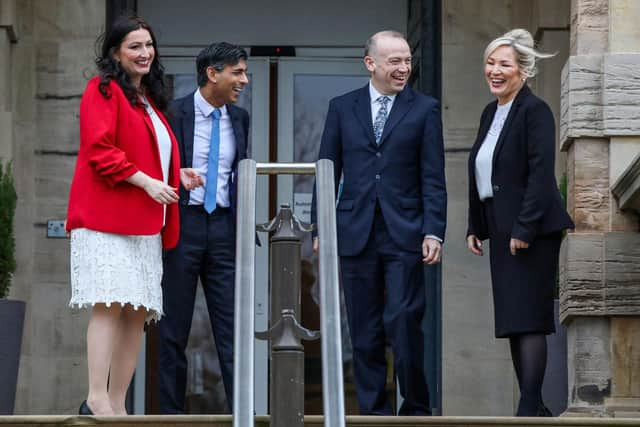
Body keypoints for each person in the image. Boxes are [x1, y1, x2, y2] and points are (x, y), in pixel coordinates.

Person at [66, 15, 201, 416]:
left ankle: (118, 403)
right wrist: (147, 183)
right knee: (109, 304)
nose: (144, 53)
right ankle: (95, 397)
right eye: (134, 47)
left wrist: (175, 174)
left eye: (148, 45)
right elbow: (100, 150)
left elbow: (144, 154)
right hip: (107, 222)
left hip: (145, 225)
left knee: (137, 311)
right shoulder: (102, 90)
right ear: (115, 53)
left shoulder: (147, 101)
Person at [312, 30, 447, 415]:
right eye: (395, 61)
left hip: (405, 231)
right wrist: (322, 227)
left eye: (407, 60)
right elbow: (327, 169)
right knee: (365, 328)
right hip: (355, 232)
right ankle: (373, 412)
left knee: (404, 321)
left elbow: (433, 176)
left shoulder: (425, 109)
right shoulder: (342, 107)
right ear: (370, 63)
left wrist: (433, 229)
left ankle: (416, 408)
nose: (404, 68)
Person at [466, 29, 574, 417]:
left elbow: (541, 174)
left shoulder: (535, 111)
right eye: (490, 63)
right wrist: (475, 225)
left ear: (523, 71)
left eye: (504, 65)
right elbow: (482, 170)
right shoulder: (490, 113)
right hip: (499, 225)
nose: (494, 71)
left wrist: (524, 228)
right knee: (514, 317)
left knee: (529, 315)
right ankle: (535, 404)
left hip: (530, 229)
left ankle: (529, 406)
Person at [158, 42, 250, 414]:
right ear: (212, 73)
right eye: (237, 72)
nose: (243, 80)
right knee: (173, 330)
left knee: (232, 329)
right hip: (184, 226)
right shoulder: (172, 112)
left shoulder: (239, 118)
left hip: (224, 230)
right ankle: (170, 416)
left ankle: (241, 413)